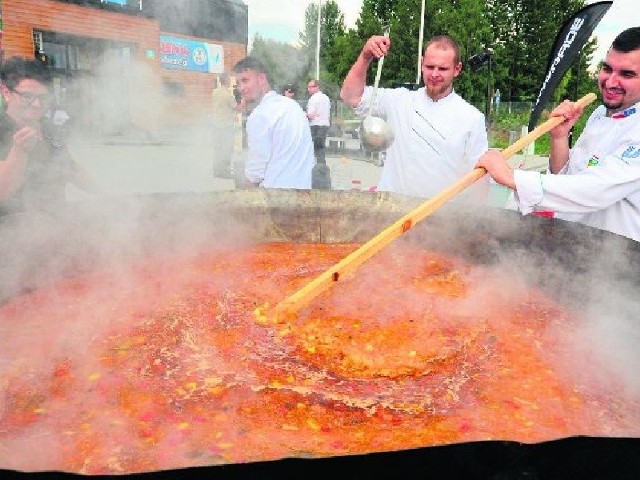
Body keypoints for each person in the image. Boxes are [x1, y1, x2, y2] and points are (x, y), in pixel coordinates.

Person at [476, 27, 640, 243]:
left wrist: (511, 177)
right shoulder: (601, 114)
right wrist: (559, 137)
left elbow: (595, 190)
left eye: (626, 74)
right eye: (607, 69)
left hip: (622, 258)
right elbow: (569, 178)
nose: (610, 82)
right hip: (579, 247)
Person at [340, 35, 488, 199]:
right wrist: (365, 56)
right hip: (390, 210)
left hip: (439, 216)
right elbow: (351, 96)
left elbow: (478, 179)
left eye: (443, 69)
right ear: (421, 64)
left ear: (457, 69)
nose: (435, 74)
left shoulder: (472, 118)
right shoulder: (398, 100)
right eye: (430, 66)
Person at [0, 57, 98, 217]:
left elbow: (70, 169)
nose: (37, 105)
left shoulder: (49, 128)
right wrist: (19, 152)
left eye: (43, 97)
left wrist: (105, 195)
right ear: (6, 92)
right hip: (13, 230)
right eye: (28, 97)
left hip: (54, 222)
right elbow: (2, 193)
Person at [232, 56, 314, 189]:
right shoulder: (292, 105)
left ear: (262, 79)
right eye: (238, 83)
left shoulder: (260, 115)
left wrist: (241, 201)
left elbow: (255, 172)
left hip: (275, 200)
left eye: (245, 80)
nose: (241, 88)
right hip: (303, 193)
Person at [210, 72, 237, 178]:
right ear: (226, 81)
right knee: (227, 148)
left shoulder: (214, 92)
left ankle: (216, 171)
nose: (230, 81)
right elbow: (236, 107)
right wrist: (243, 101)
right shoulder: (228, 95)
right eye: (229, 80)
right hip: (226, 126)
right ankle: (224, 171)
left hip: (216, 124)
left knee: (217, 148)